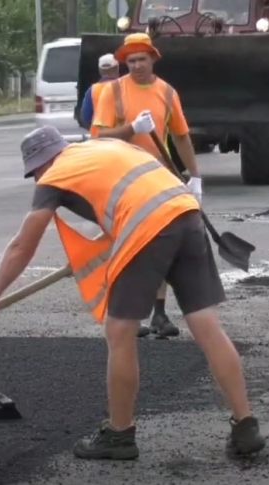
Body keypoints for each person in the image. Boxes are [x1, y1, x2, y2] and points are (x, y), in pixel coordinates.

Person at [0, 125, 265, 461]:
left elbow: (23, 244)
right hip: (185, 212)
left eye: (34, 173)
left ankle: (119, 434)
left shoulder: (55, 175)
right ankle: (245, 424)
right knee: (207, 326)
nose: (37, 180)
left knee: (119, 329)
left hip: (150, 225)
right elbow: (132, 194)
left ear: (41, 163)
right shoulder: (102, 148)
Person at [91, 32, 202, 339]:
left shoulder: (167, 92)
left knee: (161, 243)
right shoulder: (112, 92)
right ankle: (124, 312)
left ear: (153, 58)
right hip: (121, 179)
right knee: (126, 246)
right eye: (130, 60)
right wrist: (131, 128)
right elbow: (99, 136)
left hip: (157, 179)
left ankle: (160, 313)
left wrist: (195, 176)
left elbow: (180, 136)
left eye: (142, 59)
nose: (136, 65)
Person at [79, 53, 120, 132]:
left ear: (100, 70)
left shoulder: (92, 90)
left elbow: (85, 117)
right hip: (120, 137)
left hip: (98, 138)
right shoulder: (124, 87)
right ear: (116, 68)